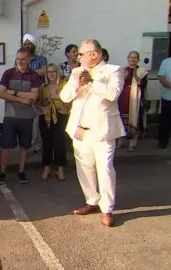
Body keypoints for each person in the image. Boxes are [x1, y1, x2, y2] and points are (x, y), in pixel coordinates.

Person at [60, 39, 125, 227]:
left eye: (81, 54)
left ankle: (107, 209)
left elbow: (113, 93)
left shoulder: (113, 70)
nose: (78, 58)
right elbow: (65, 97)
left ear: (94, 54)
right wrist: (76, 84)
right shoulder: (77, 71)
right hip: (80, 129)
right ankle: (91, 200)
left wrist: (92, 82)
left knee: (104, 168)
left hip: (102, 131)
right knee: (84, 167)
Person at [0, 47, 40, 185]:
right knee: (6, 146)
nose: (19, 62)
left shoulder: (34, 75)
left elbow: (34, 95)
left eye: (23, 59)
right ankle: (2, 172)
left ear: (29, 59)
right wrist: (22, 99)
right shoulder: (8, 73)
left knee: (24, 146)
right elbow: (1, 93)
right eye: (17, 59)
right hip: (10, 115)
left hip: (27, 116)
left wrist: (13, 92)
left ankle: (21, 172)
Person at [37, 64, 70, 181]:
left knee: (60, 142)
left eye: (53, 72)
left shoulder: (65, 85)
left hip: (60, 115)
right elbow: (37, 102)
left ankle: (60, 168)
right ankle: (47, 168)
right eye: (49, 72)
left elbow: (70, 101)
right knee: (47, 142)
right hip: (46, 116)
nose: (51, 74)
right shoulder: (43, 87)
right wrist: (42, 108)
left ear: (57, 72)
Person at [118, 51, 148, 151]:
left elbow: (142, 85)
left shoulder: (142, 71)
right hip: (124, 98)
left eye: (135, 58)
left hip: (136, 99)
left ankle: (132, 144)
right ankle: (121, 142)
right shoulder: (123, 70)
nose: (132, 59)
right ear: (128, 58)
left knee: (135, 120)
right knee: (122, 120)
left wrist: (135, 75)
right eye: (131, 57)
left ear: (138, 59)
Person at [157, 56, 171, 149]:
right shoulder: (166, 62)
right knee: (165, 121)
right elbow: (161, 78)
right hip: (168, 97)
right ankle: (163, 141)